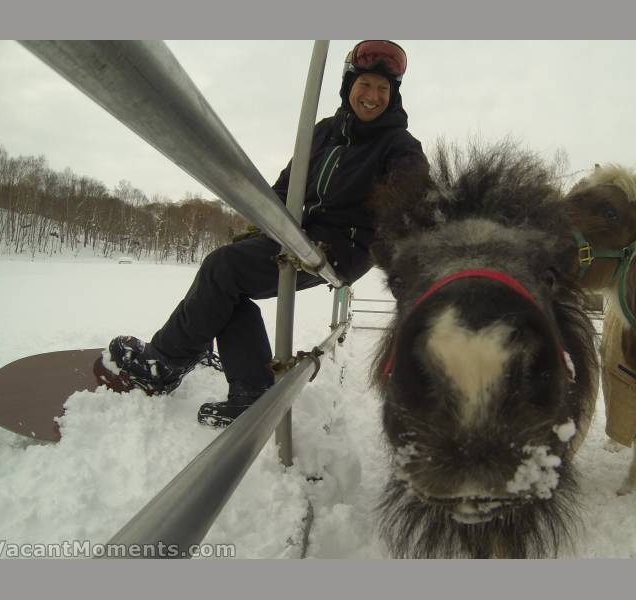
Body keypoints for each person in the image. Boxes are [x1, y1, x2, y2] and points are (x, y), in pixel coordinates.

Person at [95, 40, 428, 427]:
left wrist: (406, 245)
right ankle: (251, 390)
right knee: (226, 284)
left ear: (393, 95)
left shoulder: (399, 145)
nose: (372, 97)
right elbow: (287, 187)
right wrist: (264, 220)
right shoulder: (322, 133)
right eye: (365, 85)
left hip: (346, 245)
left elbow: (414, 197)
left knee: (224, 267)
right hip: (300, 234)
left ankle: (164, 363)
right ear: (348, 85)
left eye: (382, 90)